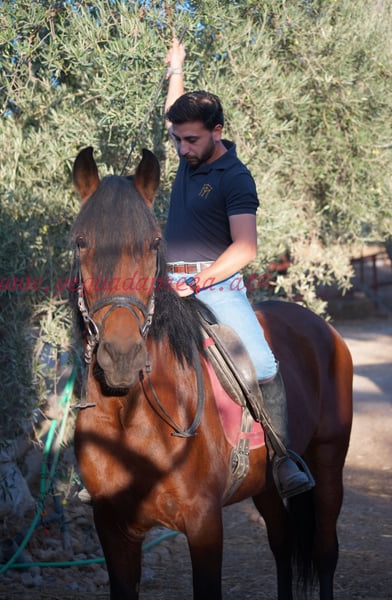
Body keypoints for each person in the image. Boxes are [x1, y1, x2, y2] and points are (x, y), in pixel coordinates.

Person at [163, 38, 314, 500]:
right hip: (167, 280)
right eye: (177, 138)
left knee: (263, 363)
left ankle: (283, 458)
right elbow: (173, 113)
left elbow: (246, 248)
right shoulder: (189, 152)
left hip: (217, 286)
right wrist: (176, 67)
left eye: (190, 139)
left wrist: (198, 281)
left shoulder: (234, 177)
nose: (181, 148)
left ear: (217, 131)